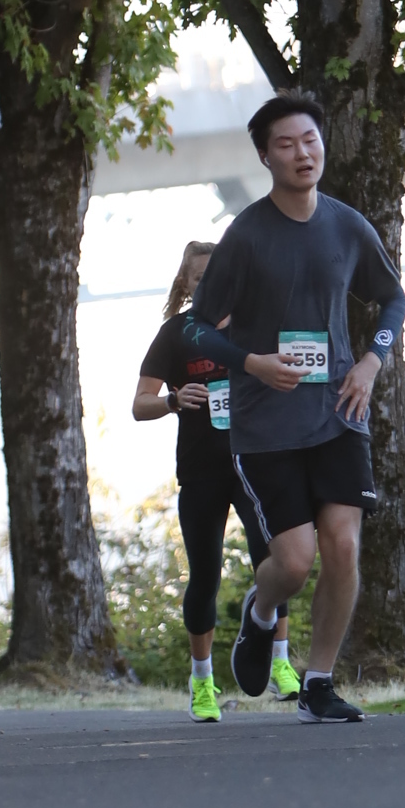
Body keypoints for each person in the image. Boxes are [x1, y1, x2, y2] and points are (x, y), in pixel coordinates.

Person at [188, 90, 405, 725]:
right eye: (286, 144)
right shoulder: (247, 235)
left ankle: (318, 684)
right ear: (266, 157)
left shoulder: (346, 225)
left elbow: (393, 300)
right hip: (265, 425)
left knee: (342, 547)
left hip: (338, 412)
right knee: (293, 561)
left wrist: (370, 361)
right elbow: (196, 329)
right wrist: (251, 362)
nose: (302, 153)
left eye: (310, 140)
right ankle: (260, 613)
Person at [133, 237, 299, 723]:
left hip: (255, 465)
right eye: (199, 278)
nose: (209, 285)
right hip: (202, 471)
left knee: (276, 562)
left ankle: (280, 663)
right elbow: (139, 404)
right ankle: (202, 681)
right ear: (186, 284)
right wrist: (172, 400)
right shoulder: (176, 334)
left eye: (216, 277)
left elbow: (288, 381)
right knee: (204, 576)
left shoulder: (254, 327)